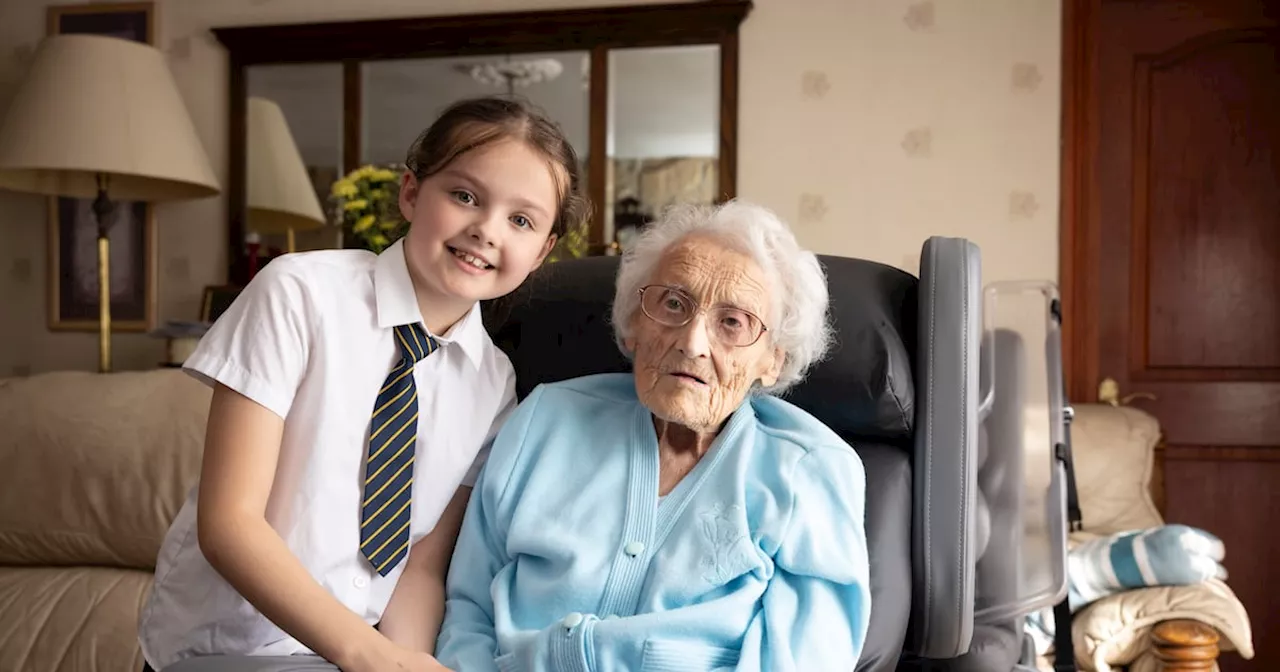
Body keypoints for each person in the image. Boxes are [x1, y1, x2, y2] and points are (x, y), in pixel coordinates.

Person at [137, 96, 587, 672]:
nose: (486, 230)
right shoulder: (298, 295)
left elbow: (420, 568)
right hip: (225, 644)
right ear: (410, 193)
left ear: (543, 251)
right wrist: (364, 653)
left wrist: (405, 661)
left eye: (520, 220)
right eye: (465, 196)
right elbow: (230, 524)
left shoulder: (494, 383)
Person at [435, 200, 872, 671]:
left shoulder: (809, 470)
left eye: (732, 323)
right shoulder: (545, 419)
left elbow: (805, 660)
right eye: (673, 304)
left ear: (774, 361)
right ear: (632, 327)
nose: (692, 342)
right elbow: (468, 610)